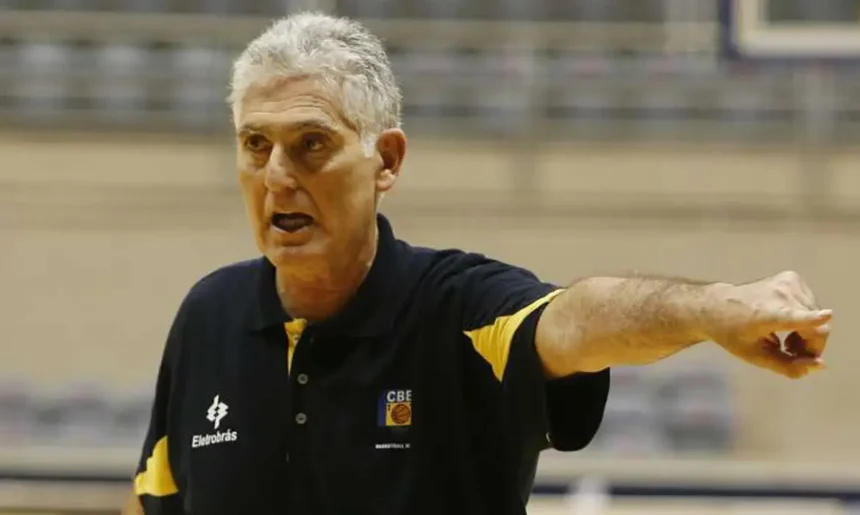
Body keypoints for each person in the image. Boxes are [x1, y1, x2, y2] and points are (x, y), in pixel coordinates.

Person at [122, 12, 832, 515]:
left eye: (311, 144)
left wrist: (711, 309)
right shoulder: (209, 315)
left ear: (386, 160)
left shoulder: (459, 309)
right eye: (256, 145)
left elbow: (578, 319)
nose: (277, 175)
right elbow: (158, 498)